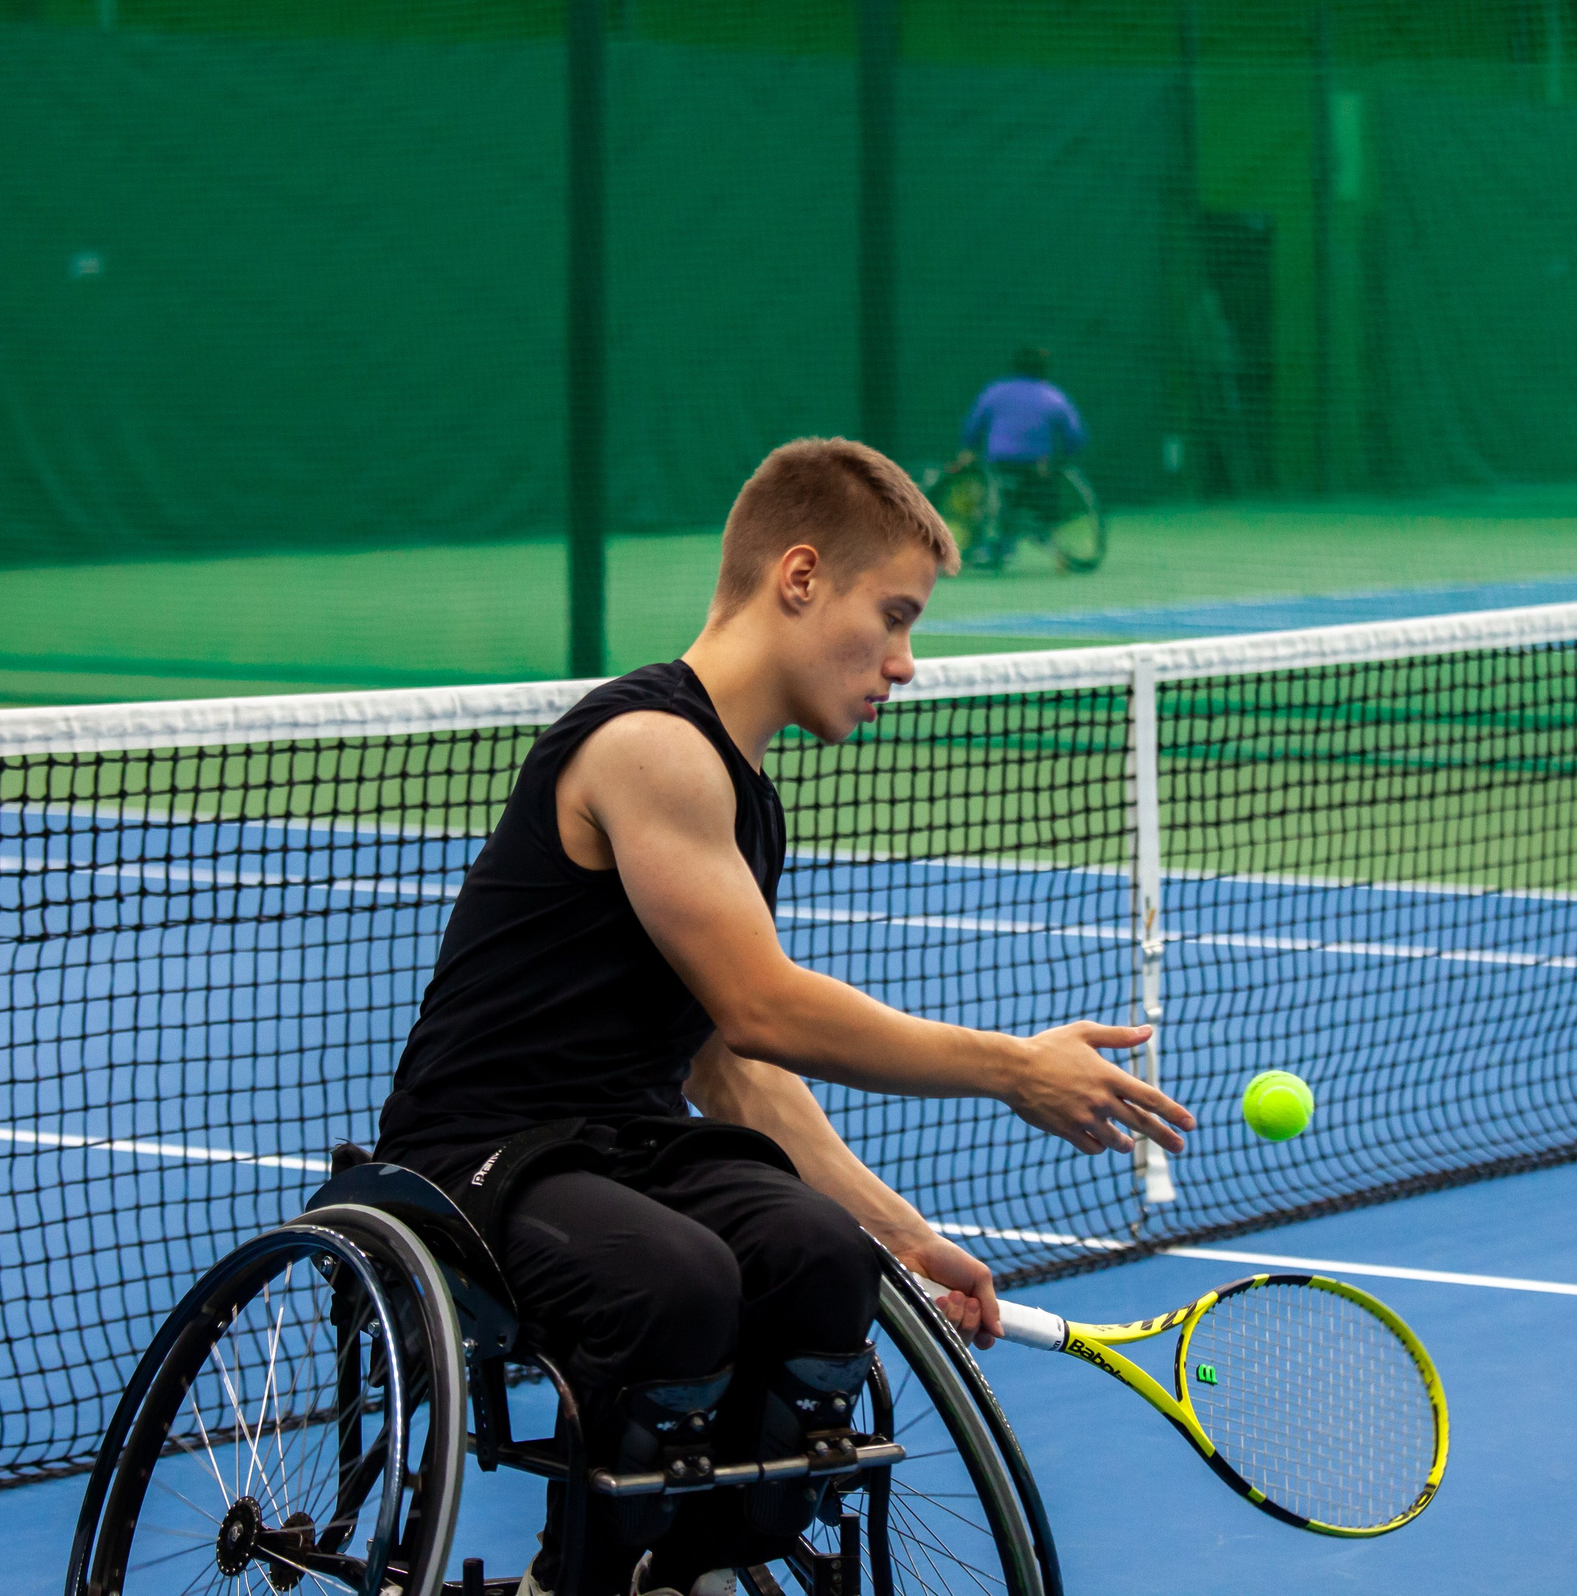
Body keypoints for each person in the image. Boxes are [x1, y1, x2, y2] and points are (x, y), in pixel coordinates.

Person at [374, 438, 1193, 1596]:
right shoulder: (651, 747)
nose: (904, 664)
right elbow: (761, 1010)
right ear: (799, 578)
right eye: (895, 616)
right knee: (680, 1281)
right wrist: (1013, 1067)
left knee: (820, 1256)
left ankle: (688, 1564)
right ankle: (579, 1579)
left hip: (631, 1148)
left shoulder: (741, 797)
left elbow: (726, 1064)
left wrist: (893, 1229)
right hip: (478, 1156)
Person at [954, 346, 1090, 566]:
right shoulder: (1053, 396)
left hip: (999, 465)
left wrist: (968, 450)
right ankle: (1050, 537)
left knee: (990, 494)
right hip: (1037, 468)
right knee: (1043, 488)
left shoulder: (995, 391)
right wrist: (1062, 459)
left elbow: (973, 424)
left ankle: (992, 543)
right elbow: (1075, 434)